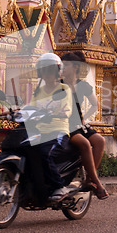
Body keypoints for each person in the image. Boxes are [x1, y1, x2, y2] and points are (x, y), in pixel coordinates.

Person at [61, 52, 108, 200]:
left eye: (66, 64)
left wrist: (84, 119)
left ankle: (89, 179)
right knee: (85, 144)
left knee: (100, 141)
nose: (62, 67)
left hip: (78, 123)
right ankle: (98, 183)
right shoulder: (58, 84)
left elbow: (95, 105)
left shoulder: (83, 85)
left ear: (75, 67)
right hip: (65, 124)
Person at [28, 53, 73, 201]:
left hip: (58, 130)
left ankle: (59, 186)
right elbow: (31, 107)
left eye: (50, 70)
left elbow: (66, 110)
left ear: (56, 72)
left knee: (46, 153)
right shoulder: (38, 91)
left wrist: (54, 113)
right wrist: (13, 112)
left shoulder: (63, 89)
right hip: (40, 131)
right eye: (44, 70)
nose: (47, 74)